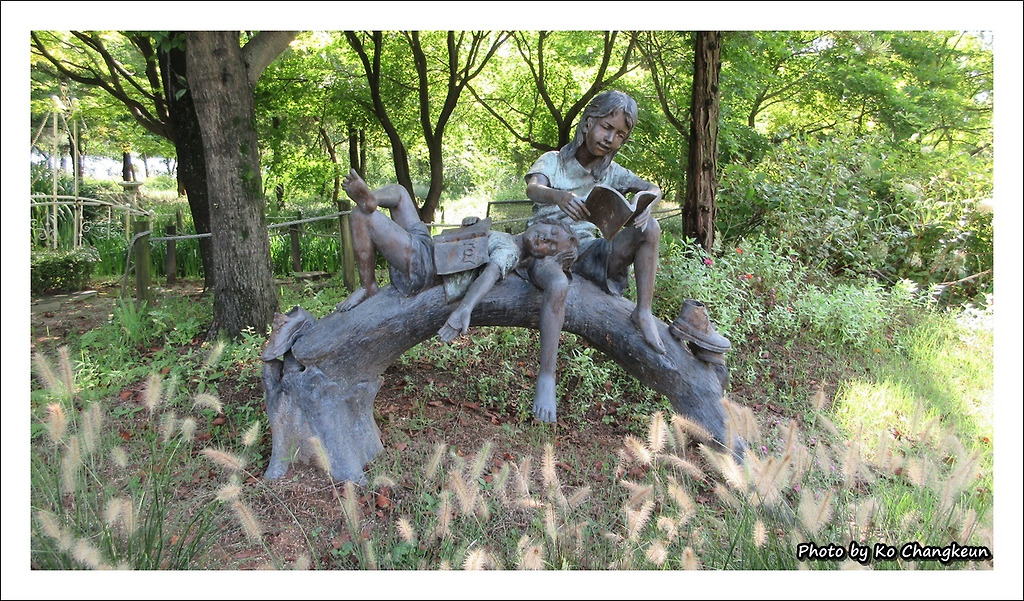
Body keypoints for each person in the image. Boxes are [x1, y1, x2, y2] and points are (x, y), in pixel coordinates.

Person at [336, 169, 580, 423]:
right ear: (542, 221)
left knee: (361, 215)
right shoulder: (507, 237)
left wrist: (465, 308)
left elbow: (490, 274)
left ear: (542, 257)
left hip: (423, 266)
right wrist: (474, 227)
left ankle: (368, 286)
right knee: (399, 192)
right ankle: (372, 198)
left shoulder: (510, 251)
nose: (546, 239)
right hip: (430, 245)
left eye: (551, 247)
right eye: (551, 232)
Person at [524, 90, 667, 355]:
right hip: (547, 248)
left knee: (650, 228)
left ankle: (643, 311)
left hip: (588, 252)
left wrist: (646, 204)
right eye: (607, 127)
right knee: (555, 282)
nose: (610, 138)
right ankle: (547, 372)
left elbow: (653, 188)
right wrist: (558, 196)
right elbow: (533, 188)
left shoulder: (611, 173)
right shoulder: (553, 161)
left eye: (620, 135)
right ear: (589, 122)